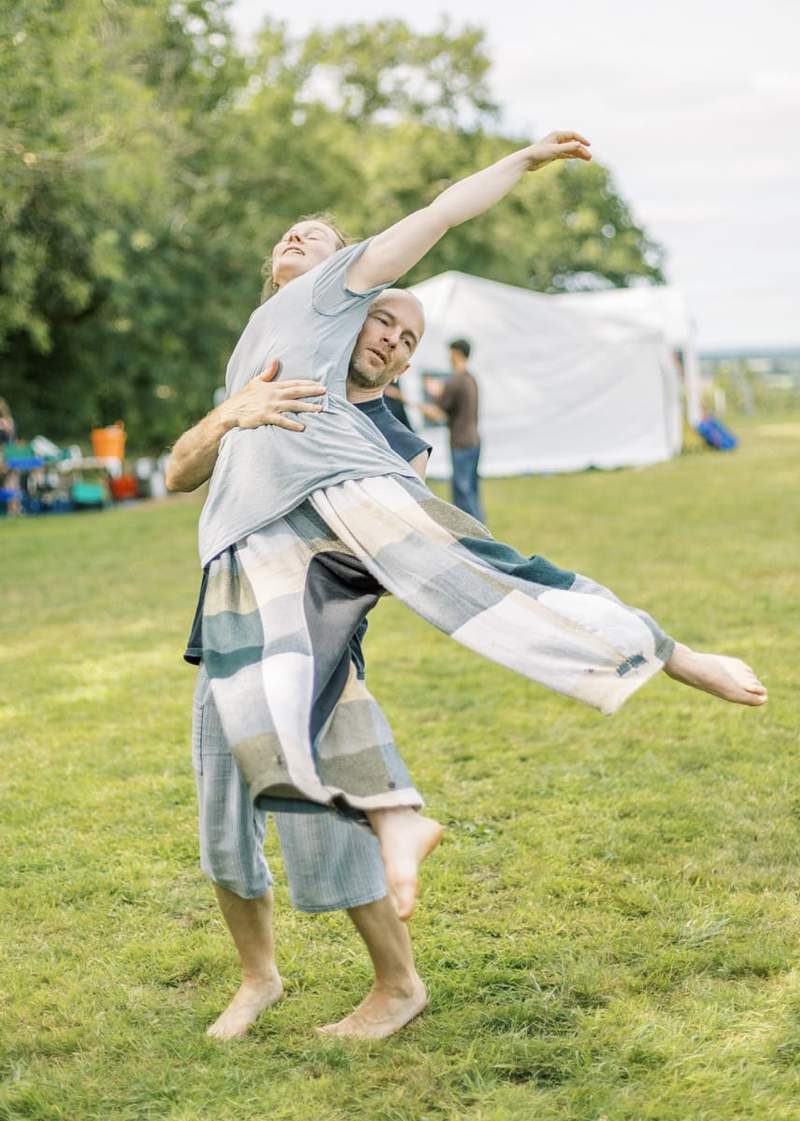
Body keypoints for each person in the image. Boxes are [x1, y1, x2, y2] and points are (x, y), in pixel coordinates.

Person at [172, 132, 767, 923]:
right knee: (272, 696)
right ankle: (395, 816)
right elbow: (184, 469)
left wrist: (519, 163)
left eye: (317, 234)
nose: (297, 234)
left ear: (346, 264)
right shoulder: (256, 340)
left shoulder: (332, 292)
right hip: (258, 539)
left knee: (486, 579)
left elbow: (439, 213)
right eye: (292, 230)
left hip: (347, 490)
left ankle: (676, 654)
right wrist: (231, 413)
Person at [170, 291, 434, 1040]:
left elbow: (394, 559)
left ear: (409, 362)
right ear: (352, 318)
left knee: (330, 825)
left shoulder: (397, 441)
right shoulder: (276, 386)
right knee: (223, 828)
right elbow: (178, 472)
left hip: (316, 651)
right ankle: (259, 977)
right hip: (225, 632)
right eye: (384, 318)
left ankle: (398, 983)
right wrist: (233, 412)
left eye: (407, 337)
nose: (391, 338)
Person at [421, 338, 483, 521]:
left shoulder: (455, 381)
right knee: (472, 490)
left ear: (456, 353)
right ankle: (481, 529)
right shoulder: (470, 378)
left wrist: (425, 398)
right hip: (474, 440)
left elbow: (437, 413)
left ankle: (471, 535)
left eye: (450, 352)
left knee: (462, 492)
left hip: (461, 442)